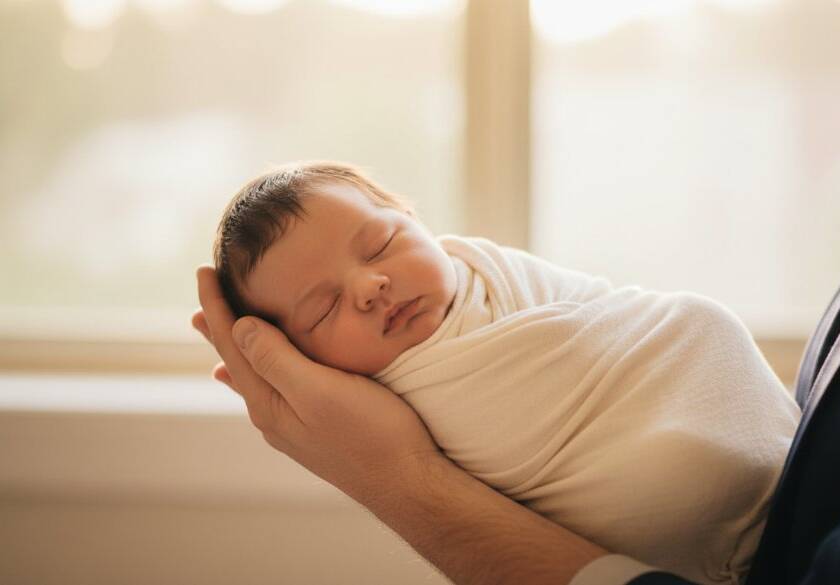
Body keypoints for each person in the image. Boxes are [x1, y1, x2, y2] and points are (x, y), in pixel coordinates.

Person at [195, 162, 809, 584]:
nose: (370, 286)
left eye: (382, 243)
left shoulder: (486, 268)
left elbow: (645, 324)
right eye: (324, 308)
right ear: (301, 363)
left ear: (415, 219)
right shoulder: (375, 401)